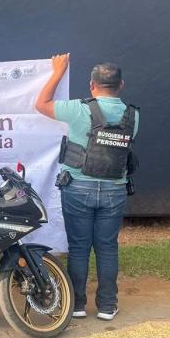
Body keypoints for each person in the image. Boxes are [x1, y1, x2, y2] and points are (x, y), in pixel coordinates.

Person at [35, 54, 139, 321]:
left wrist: (57, 72)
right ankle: (107, 306)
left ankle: (77, 305)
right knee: (107, 248)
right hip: (115, 190)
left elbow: (41, 104)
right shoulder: (133, 115)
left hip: (78, 188)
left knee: (79, 248)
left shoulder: (78, 109)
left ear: (92, 85)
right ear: (121, 85)